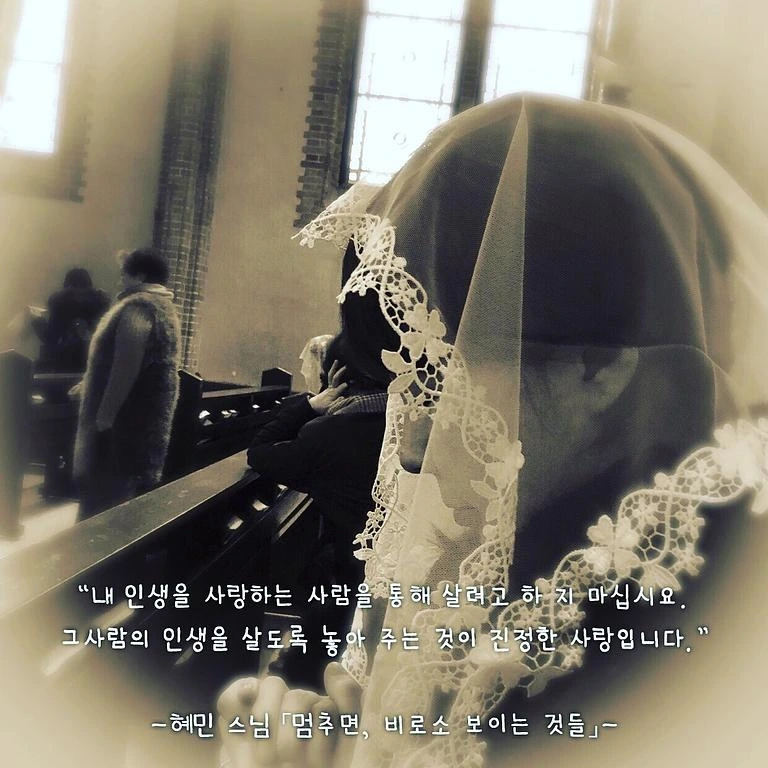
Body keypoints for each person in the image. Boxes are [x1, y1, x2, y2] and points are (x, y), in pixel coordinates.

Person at [217, 94, 768, 767]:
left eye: (437, 383)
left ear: (597, 368)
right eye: (400, 388)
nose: (409, 448)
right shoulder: (527, 561)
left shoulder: (681, 644)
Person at [246, 333, 388, 689]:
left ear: (339, 376)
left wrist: (311, 404)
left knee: (296, 677)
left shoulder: (327, 434)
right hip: (398, 590)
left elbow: (260, 451)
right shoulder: (409, 426)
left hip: (344, 594)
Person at [73, 248, 180, 520]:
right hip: (143, 418)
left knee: (105, 500)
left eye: (124, 274)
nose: (120, 280)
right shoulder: (163, 307)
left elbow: (126, 366)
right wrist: (88, 382)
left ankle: (92, 545)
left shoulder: (138, 309)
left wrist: (105, 417)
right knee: (126, 496)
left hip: (124, 421)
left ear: (140, 275)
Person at [33, 267, 110, 372]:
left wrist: (37, 320)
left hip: (68, 361)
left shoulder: (60, 304)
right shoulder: (98, 303)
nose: (79, 298)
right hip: (88, 361)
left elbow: (50, 338)